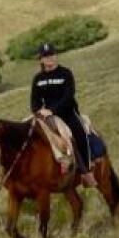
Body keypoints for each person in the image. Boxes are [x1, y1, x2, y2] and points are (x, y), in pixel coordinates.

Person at [30, 43, 97, 187]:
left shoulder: (66, 73)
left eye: (52, 55)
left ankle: (86, 170)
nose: (50, 58)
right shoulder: (38, 79)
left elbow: (68, 96)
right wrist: (38, 112)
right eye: (46, 56)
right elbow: (34, 101)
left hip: (67, 112)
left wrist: (53, 110)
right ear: (41, 60)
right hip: (47, 116)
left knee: (80, 133)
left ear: (56, 56)